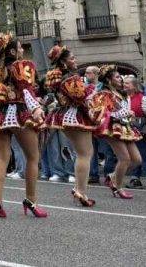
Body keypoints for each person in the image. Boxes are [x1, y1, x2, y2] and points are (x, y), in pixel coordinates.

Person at [0, 33, 47, 219]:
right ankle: (31, 200)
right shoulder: (20, 66)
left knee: (1, 158)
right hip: (19, 112)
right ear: (12, 50)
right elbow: (26, 90)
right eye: (20, 47)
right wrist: (36, 108)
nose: (23, 50)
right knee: (33, 157)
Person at [44, 45, 97, 207]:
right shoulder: (69, 77)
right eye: (72, 58)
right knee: (84, 153)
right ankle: (80, 191)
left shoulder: (63, 76)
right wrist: (92, 88)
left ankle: (79, 188)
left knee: (83, 153)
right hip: (73, 114)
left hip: (65, 115)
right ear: (64, 62)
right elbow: (81, 96)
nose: (75, 61)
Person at [90, 65, 142, 199]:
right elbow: (104, 113)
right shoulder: (104, 94)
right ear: (109, 80)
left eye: (121, 77)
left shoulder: (122, 93)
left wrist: (129, 115)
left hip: (126, 127)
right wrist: (126, 112)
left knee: (136, 160)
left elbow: (124, 111)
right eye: (118, 77)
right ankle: (118, 187)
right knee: (124, 158)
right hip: (112, 128)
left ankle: (112, 176)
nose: (121, 79)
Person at [123, 75, 146, 190]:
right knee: (133, 156)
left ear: (134, 86)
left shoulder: (142, 98)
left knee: (145, 154)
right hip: (127, 131)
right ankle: (135, 179)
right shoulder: (122, 98)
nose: (124, 84)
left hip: (140, 131)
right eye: (124, 82)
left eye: (127, 83)